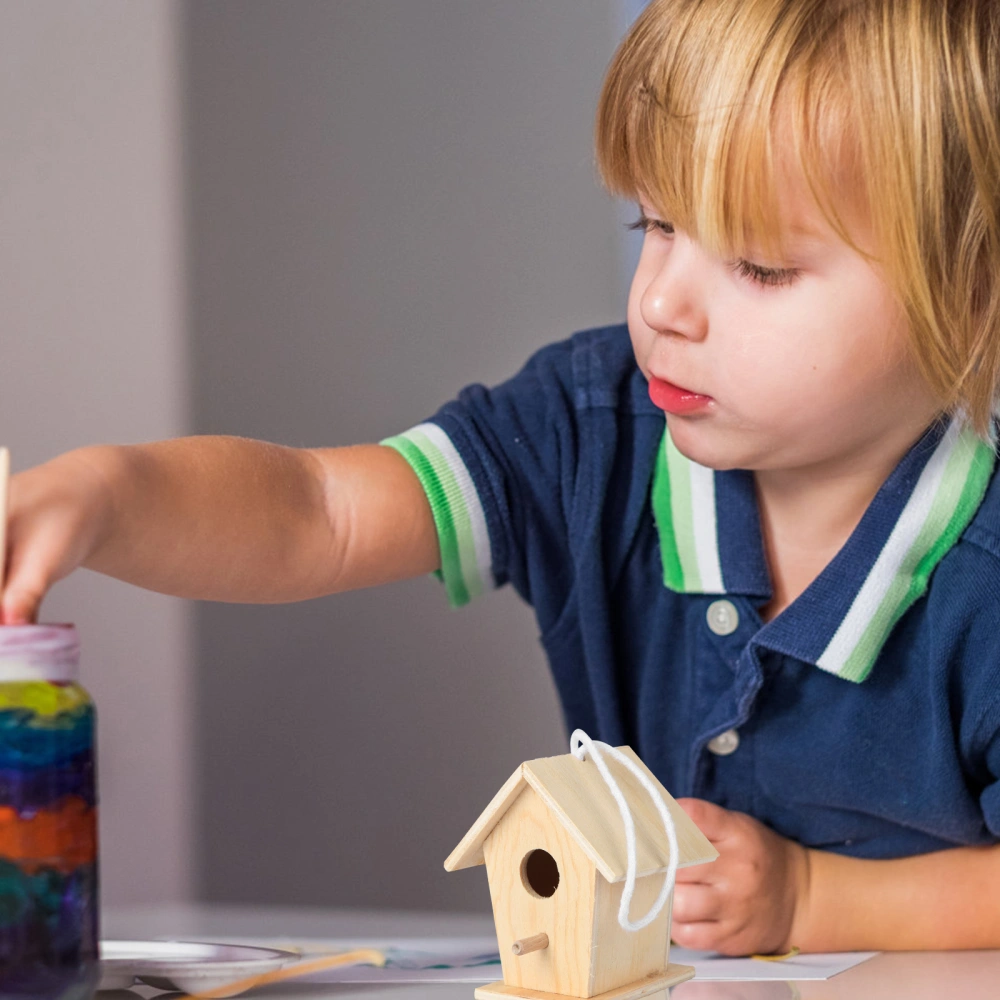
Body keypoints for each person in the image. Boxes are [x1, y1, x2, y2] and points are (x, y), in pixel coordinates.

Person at [6, 0, 1000, 956]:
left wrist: (815, 896)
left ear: (966, 288)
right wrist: (105, 494)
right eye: (652, 226)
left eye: (759, 266)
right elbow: (316, 513)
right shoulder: (593, 425)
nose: (660, 301)